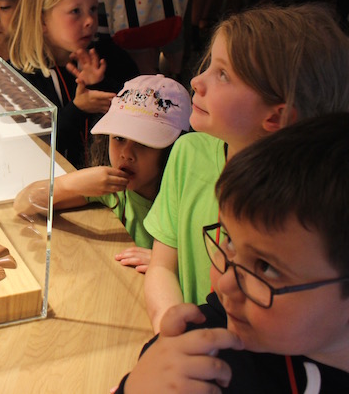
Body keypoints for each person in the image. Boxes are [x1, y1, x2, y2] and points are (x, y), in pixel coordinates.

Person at [142, 3, 349, 333]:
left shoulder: (303, 205)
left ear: (276, 116)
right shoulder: (188, 153)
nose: (196, 80)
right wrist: (172, 330)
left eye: (223, 74)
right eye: (209, 65)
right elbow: (162, 266)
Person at [115, 112, 349, 393]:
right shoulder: (225, 323)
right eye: (230, 243)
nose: (224, 283)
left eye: (265, 267)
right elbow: (162, 359)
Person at [13, 74, 192, 273]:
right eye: (119, 138)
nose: (126, 154)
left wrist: (166, 263)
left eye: (144, 143)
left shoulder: (186, 204)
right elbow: (24, 203)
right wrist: (70, 183)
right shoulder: (112, 189)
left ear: (174, 149)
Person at [9, 0, 139, 168]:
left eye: (93, 9)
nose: (90, 20)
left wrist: (98, 84)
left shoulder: (109, 56)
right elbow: (35, 147)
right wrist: (77, 109)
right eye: (76, 11)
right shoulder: (19, 76)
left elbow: (136, 114)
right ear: (42, 21)